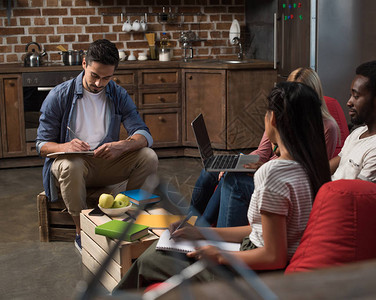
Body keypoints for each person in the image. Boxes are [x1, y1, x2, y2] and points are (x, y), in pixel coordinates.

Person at [114, 81, 331, 291]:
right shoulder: (309, 168)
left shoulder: (272, 173)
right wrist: (202, 233)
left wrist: (218, 255)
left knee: (150, 258)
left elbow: (274, 256)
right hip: (256, 260)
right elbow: (262, 231)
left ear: (272, 118)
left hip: (251, 270)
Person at [36, 39, 158, 252]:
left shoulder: (118, 94)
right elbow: (41, 145)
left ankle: (128, 221)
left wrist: (123, 145)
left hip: (104, 164)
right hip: (72, 166)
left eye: (107, 78)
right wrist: (66, 146)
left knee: (148, 156)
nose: (100, 84)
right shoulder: (59, 95)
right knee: (71, 164)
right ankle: (81, 232)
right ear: (84, 64)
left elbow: (143, 134)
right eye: (95, 75)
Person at [191, 67, 339, 227]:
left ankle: (203, 226)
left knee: (232, 180)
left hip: (279, 175)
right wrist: (242, 162)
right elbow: (262, 151)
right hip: (268, 168)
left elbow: (312, 171)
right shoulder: (280, 118)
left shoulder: (327, 127)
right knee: (213, 169)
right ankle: (191, 220)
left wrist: (263, 167)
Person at [330, 60, 376, 194]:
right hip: (327, 196)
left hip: (341, 209)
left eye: (356, 96)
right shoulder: (360, 131)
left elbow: (355, 199)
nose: (349, 102)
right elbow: (334, 165)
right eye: (350, 95)